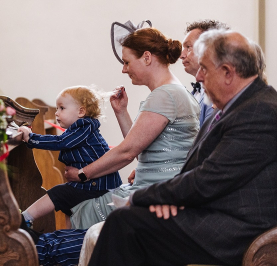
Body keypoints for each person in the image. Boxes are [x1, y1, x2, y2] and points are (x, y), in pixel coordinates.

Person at [88, 29, 277, 266]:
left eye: (205, 69)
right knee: (130, 221)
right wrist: (169, 199)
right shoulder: (235, 108)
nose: (198, 76)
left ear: (228, 73)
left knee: (126, 222)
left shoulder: (259, 111)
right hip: (215, 211)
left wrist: (142, 197)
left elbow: (210, 179)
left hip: (239, 228)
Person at [66, 27, 199, 230]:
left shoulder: (164, 95)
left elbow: (127, 152)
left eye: (127, 62)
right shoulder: (174, 91)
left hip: (156, 193)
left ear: (147, 57)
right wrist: (121, 112)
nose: (124, 69)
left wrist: (83, 173)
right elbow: (143, 150)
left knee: (79, 207)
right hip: (158, 187)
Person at [18, 86, 122, 228]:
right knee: (67, 204)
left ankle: (25, 218)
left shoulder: (84, 126)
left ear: (81, 111)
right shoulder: (81, 128)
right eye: (57, 108)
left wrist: (30, 138)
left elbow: (61, 142)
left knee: (58, 193)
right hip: (94, 183)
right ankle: (68, 235)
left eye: (62, 108)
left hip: (99, 185)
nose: (56, 113)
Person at [180, 19, 230, 126]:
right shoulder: (194, 92)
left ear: (207, 48)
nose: (182, 55)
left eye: (188, 47)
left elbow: (209, 133)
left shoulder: (220, 91)